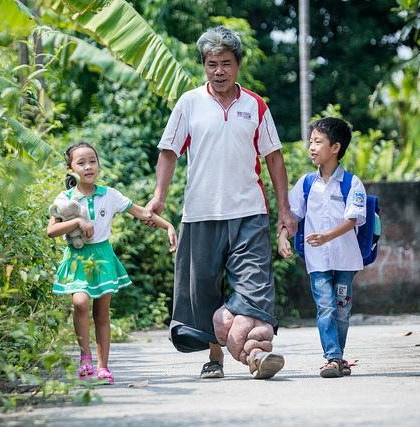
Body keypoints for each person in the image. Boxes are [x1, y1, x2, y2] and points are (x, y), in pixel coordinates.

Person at [145, 26, 296, 380]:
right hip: (200, 213)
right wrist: (159, 197)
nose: (219, 71)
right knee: (206, 289)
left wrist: (284, 210)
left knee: (254, 286)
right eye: (212, 64)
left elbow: (274, 159)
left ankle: (258, 354)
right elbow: (168, 153)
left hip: (250, 213)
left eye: (226, 63)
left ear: (238, 64)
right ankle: (216, 357)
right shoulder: (189, 103)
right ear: (204, 65)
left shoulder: (255, 105)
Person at [47, 142, 177, 383]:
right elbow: (51, 230)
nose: (88, 167)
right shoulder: (65, 199)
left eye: (92, 161)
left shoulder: (110, 195)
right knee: (80, 303)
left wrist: (168, 225)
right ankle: (85, 357)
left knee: (102, 314)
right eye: (81, 163)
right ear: (70, 168)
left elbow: (141, 213)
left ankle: (102, 366)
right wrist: (76, 223)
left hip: (103, 257)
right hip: (77, 259)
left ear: (98, 164)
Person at [277, 117, 367, 378]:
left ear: (335, 147)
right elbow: (292, 216)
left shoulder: (352, 184)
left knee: (342, 309)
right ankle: (333, 357)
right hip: (317, 261)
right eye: (311, 142)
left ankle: (337, 358)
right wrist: (283, 236)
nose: (312, 148)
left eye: (318, 142)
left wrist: (328, 236)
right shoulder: (306, 184)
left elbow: (352, 220)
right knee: (326, 306)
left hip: (346, 260)